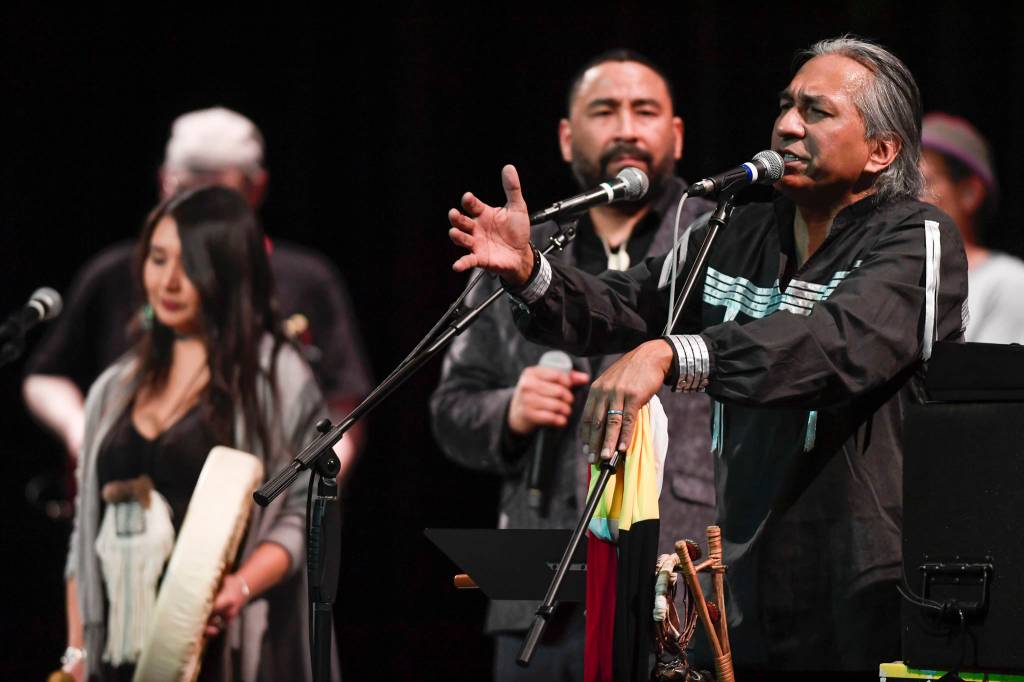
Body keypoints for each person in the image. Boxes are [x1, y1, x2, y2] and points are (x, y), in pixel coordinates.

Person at [446, 37, 968, 672]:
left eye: (816, 111)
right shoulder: (735, 231)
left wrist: (673, 354)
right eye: (784, 106)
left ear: (882, 151)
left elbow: (835, 345)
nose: (785, 125)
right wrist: (531, 274)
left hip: (869, 580)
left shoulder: (918, 237)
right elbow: (629, 302)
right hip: (742, 585)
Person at [430, 49, 715, 680]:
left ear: (676, 134)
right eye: (604, 110)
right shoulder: (522, 243)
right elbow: (450, 410)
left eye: (645, 111)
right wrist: (508, 410)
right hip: (541, 595)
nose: (625, 127)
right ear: (567, 136)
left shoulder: (717, 237)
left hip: (682, 585)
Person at [62, 186, 338, 681]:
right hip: (117, 658)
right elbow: (85, 529)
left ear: (228, 271)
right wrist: (76, 656)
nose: (167, 281)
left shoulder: (275, 380)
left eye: (188, 265)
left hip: (215, 648)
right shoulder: (113, 387)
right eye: (157, 259)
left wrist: (241, 587)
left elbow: (298, 514)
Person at [23, 107, 371, 480]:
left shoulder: (306, 280)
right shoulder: (114, 273)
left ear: (256, 188)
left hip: (259, 497)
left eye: (218, 196)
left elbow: (342, 401)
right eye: (187, 193)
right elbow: (48, 374)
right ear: (163, 184)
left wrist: (307, 491)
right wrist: (81, 429)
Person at [920, 112, 1024, 343]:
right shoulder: (886, 278)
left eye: (922, 182)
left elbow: (991, 376)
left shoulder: (1006, 281)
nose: (906, 197)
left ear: (969, 193)